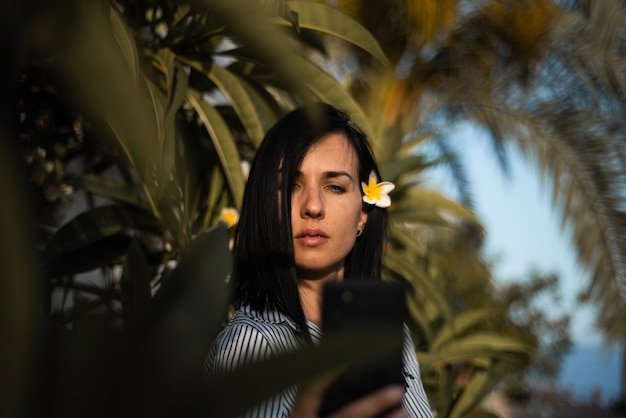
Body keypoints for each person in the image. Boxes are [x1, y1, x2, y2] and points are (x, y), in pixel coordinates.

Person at [204, 103, 433, 418]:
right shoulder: (252, 344)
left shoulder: (390, 338)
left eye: (335, 186)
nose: (313, 206)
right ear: (265, 204)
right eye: (289, 186)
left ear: (364, 214)